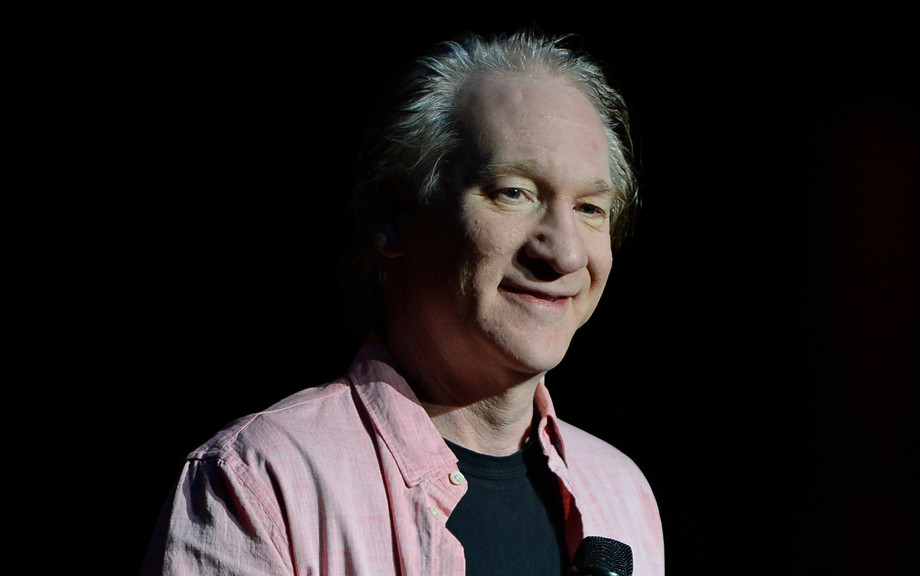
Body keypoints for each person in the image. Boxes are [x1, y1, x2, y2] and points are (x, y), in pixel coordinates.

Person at [141, 27, 664, 576]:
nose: (564, 253)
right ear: (393, 216)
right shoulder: (261, 482)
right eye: (514, 192)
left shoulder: (622, 493)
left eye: (590, 208)